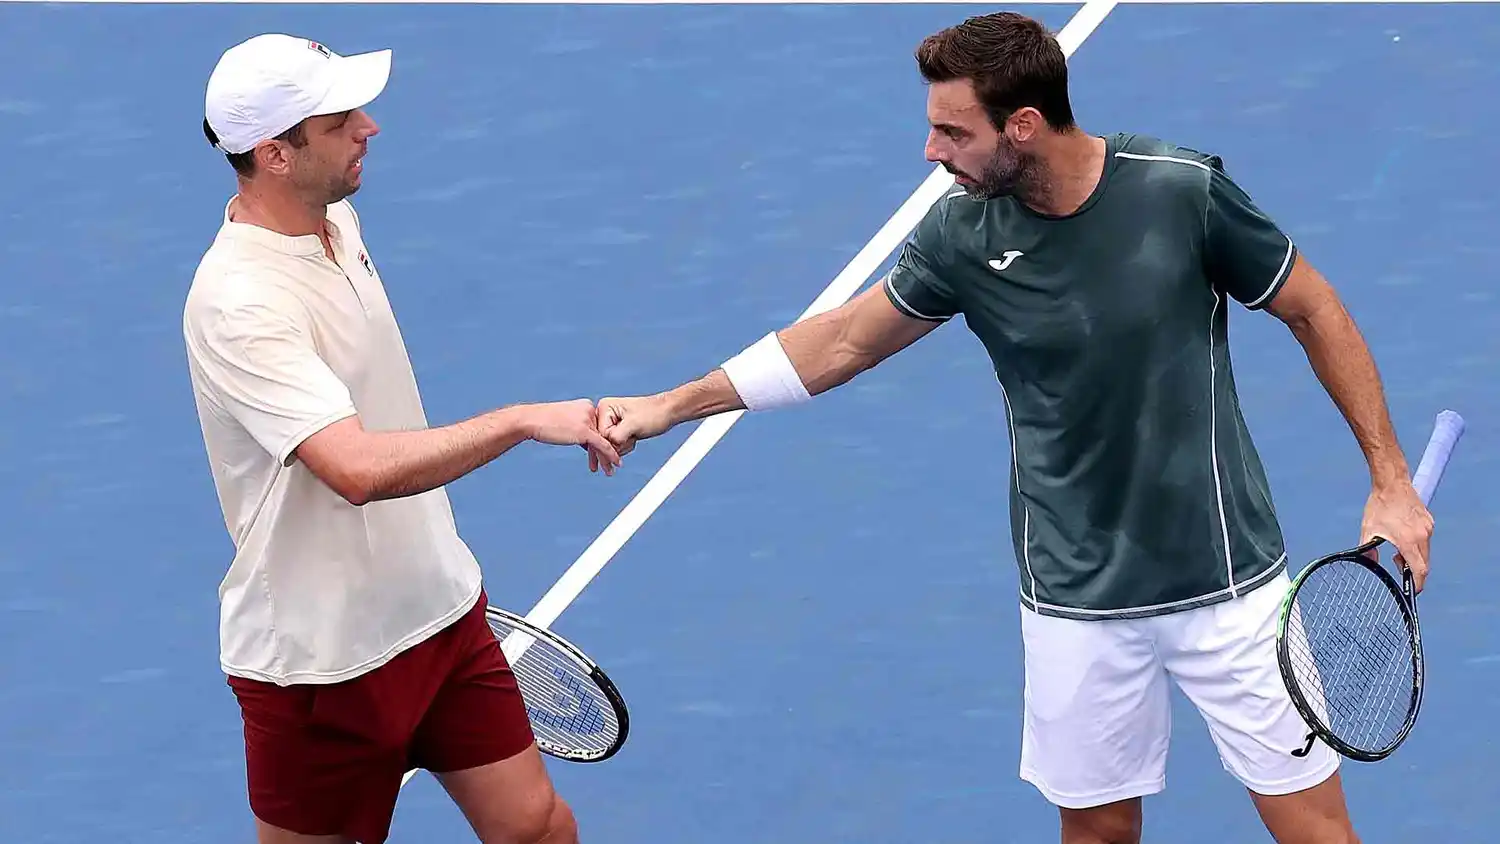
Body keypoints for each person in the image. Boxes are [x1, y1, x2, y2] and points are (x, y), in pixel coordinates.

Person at [593, 12, 1433, 844]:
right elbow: (842, 340)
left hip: (1230, 585)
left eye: (952, 133)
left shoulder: (1182, 192)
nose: (932, 153)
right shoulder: (960, 237)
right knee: (1097, 834)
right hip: (1073, 599)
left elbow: (1312, 307)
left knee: (1315, 835)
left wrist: (1390, 480)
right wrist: (673, 404)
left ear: (1022, 127)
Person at [183, 33, 619, 844]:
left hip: (440, 608)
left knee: (535, 828)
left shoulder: (334, 220)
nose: (369, 128)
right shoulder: (240, 302)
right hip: (325, 662)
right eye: (341, 119)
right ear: (276, 155)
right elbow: (350, 467)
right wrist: (521, 421)